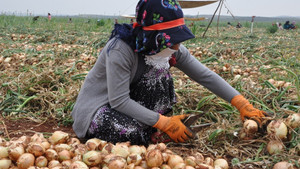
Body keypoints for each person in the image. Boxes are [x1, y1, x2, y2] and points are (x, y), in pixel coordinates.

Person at [71, 0, 267, 145]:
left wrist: (241, 103)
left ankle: (153, 128)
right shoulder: (120, 50)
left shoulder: (170, 49)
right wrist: (163, 123)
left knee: (158, 76)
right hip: (100, 108)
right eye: (171, 40)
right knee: (131, 134)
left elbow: (204, 75)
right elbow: (118, 101)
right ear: (153, 37)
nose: (176, 45)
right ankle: (153, 130)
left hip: (128, 106)